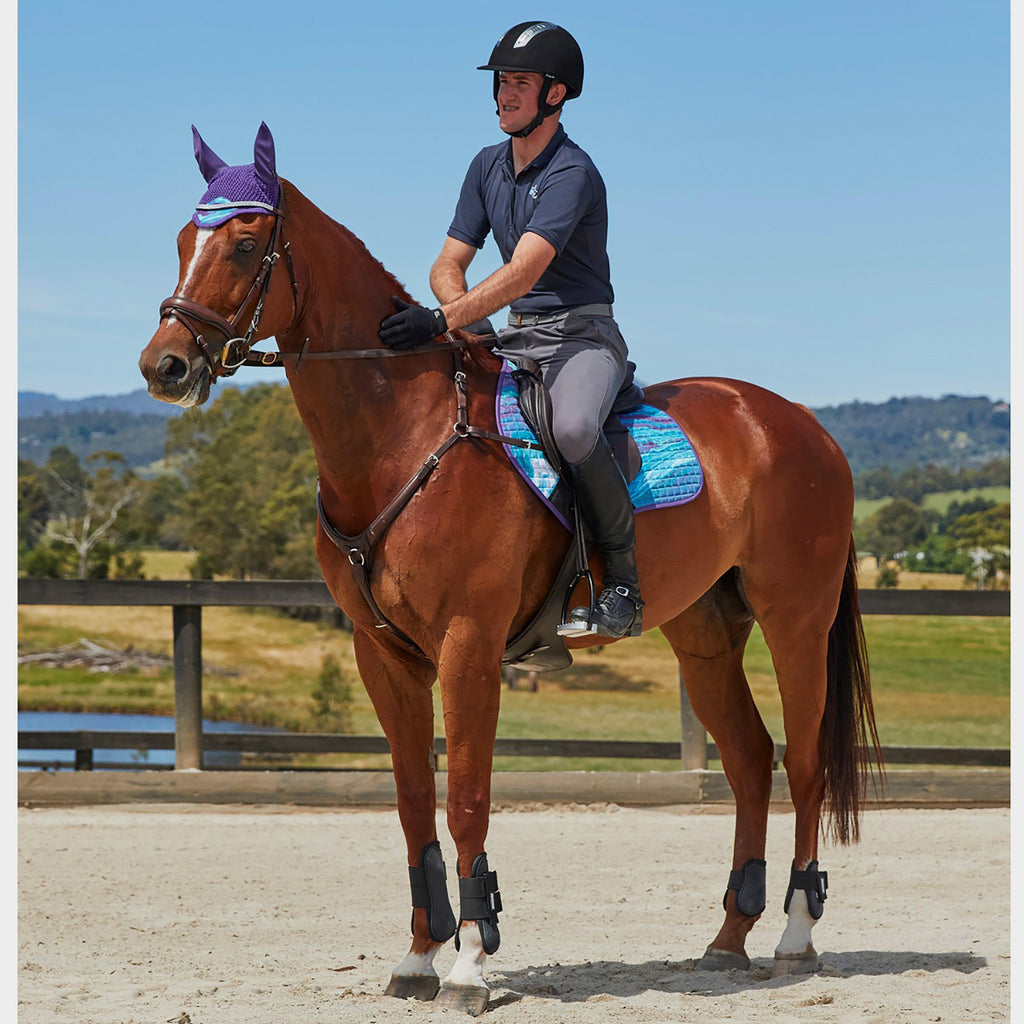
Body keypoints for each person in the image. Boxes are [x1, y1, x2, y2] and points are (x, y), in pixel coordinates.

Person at [378, 21, 642, 639]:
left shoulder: (573, 172)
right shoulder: (485, 165)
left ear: (556, 93)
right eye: (501, 81)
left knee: (573, 429)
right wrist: (465, 318)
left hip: (581, 338)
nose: (505, 93)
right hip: (514, 335)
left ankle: (623, 583)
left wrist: (441, 319)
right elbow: (447, 264)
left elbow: (524, 270)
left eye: (520, 82)